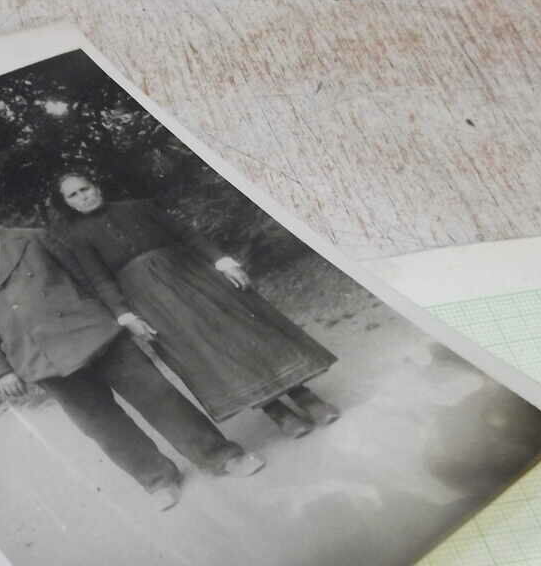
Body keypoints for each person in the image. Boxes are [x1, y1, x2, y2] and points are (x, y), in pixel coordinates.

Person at [0, 187, 266, 510]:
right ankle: (158, 479)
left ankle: (222, 456)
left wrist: (117, 314)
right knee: (101, 425)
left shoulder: (34, 236)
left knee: (159, 395)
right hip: (43, 359)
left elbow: (87, 277)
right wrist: (1, 371)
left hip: (95, 333)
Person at [48, 172, 341, 438]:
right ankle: (276, 412)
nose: (83, 196)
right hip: (153, 302)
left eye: (85, 188)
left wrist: (222, 262)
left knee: (245, 331)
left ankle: (306, 398)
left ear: (96, 186)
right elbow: (101, 281)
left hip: (193, 277)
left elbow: (188, 235)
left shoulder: (138, 207)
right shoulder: (77, 238)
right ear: (67, 204)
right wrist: (125, 315)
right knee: (212, 352)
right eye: (73, 195)